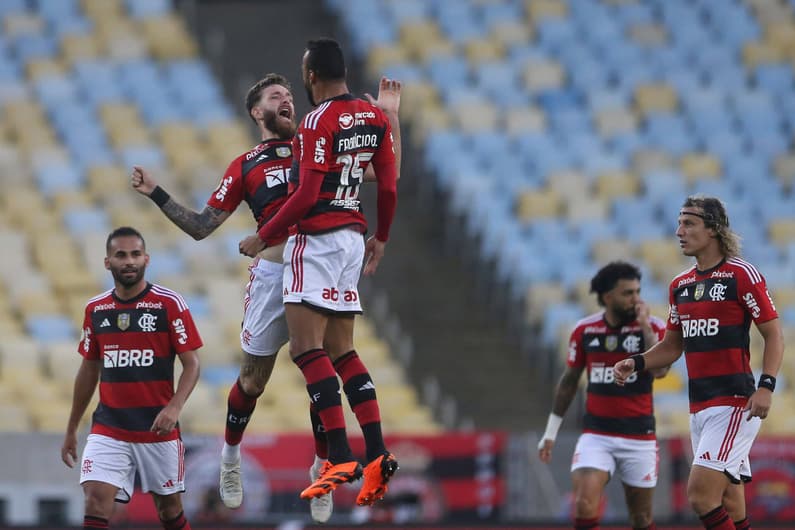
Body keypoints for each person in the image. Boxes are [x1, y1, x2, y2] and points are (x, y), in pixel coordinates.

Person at [131, 72, 401, 520]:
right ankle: (230, 457)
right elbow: (202, 226)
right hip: (274, 272)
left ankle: (325, 464)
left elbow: (388, 170)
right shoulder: (245, 165)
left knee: (325, 364)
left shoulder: (322, 139)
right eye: (277, 97)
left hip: (316, 257)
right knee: (254, 381)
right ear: (258, 112)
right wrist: (156, 193)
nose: (288, 101)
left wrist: (392, 120)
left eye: (290, 95)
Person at [239, 38, 399, 507]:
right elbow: (387, 183)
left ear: (311, 77)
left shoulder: (315, 121)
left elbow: (306, 196)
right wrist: (383, 238)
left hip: (318, 239)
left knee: (307, 351)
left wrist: (264, 234)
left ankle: (340, 457)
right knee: (343, 352)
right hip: (353, 237)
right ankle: (377, 452)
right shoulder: (375, 118)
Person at [613, 196, 784, 530]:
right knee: (730, 503)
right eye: (679, 223)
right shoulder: (680, 286)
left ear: (714, 229)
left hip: (734, 403)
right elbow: (672, 346)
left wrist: (766, 386)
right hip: (699, 408)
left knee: (700, 496)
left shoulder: (741, 275)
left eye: (689, 223)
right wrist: (636, 362)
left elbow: (774, 334)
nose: (679, 231)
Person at [61, 226, 202, 530]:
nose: (129, 261)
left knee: (169, 511)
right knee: (95, 499)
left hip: (157, 429)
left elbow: (192, 364)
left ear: (146, 259)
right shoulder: (96, 309)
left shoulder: (169, 304)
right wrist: (72, 427)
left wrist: (174, 408)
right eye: (121, 255)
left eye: (135, 254)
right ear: (107, 261)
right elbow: (89, 369)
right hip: (109, 427)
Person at [537, 261, 668, 530]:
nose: (636, 299)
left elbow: (662, 371)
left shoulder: (653, 327)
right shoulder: (585, 330)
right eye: (628, 293)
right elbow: (569, 383)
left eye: (637, 291)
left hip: (639, 436)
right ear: (608, 297)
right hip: (597, 435)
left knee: (641, 519)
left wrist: (644, 328)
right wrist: (550, 432)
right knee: (584, 504)